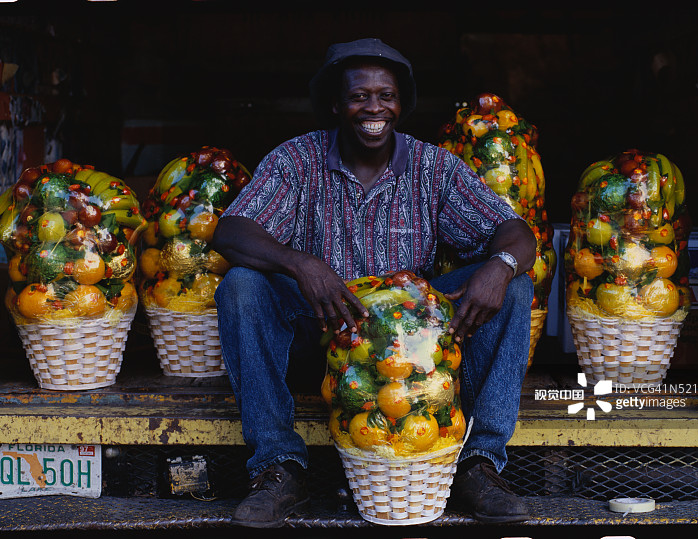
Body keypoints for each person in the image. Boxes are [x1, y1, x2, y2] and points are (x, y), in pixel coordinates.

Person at [212, 38, 537, 528]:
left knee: (513, 285)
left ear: (401, 104)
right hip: (321, 333)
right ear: (337, 105)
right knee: (240, 284)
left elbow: (514, 232)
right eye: (359, 96)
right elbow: (231, 231)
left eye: (385, 95)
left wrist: (502, 264)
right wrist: (300, 263)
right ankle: (279, 466)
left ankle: (479, 463)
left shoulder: (433, 167)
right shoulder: (297, 161)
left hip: (411, 349)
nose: (374, 107)